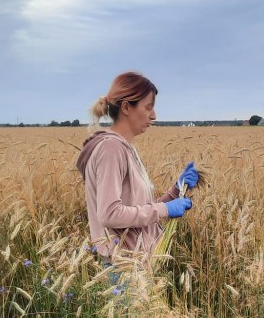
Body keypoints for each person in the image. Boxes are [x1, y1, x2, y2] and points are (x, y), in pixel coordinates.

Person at [75, 71, 197, 266]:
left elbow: (136, 209)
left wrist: (174, 192)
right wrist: (165, 209)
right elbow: (110, 214)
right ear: (126, 107)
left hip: (135, 264)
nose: (154, 115)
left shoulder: (123, 148)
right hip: (123, 268)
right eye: (148, 107)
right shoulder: (111, 149)